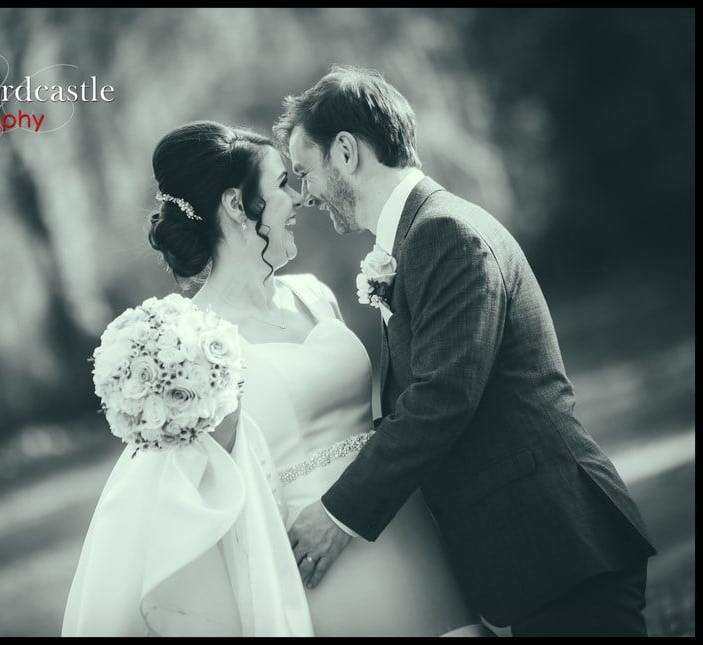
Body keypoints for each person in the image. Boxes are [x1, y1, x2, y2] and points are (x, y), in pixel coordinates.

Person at [272, 65, 658, 637]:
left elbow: (443, 395)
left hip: (558, 542)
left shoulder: (444, 232)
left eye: (305, 173)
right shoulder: (419, 236)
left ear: (347, 152)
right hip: (536, 554)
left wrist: (336, 514)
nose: (305, 196)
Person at [61, 120, 489, 636]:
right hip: (320, 567)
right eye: (282, 184)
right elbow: (200, 498)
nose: (300, 198)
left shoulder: (315, 294)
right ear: (239, 207)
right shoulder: (189, 346)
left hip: (403, 520)